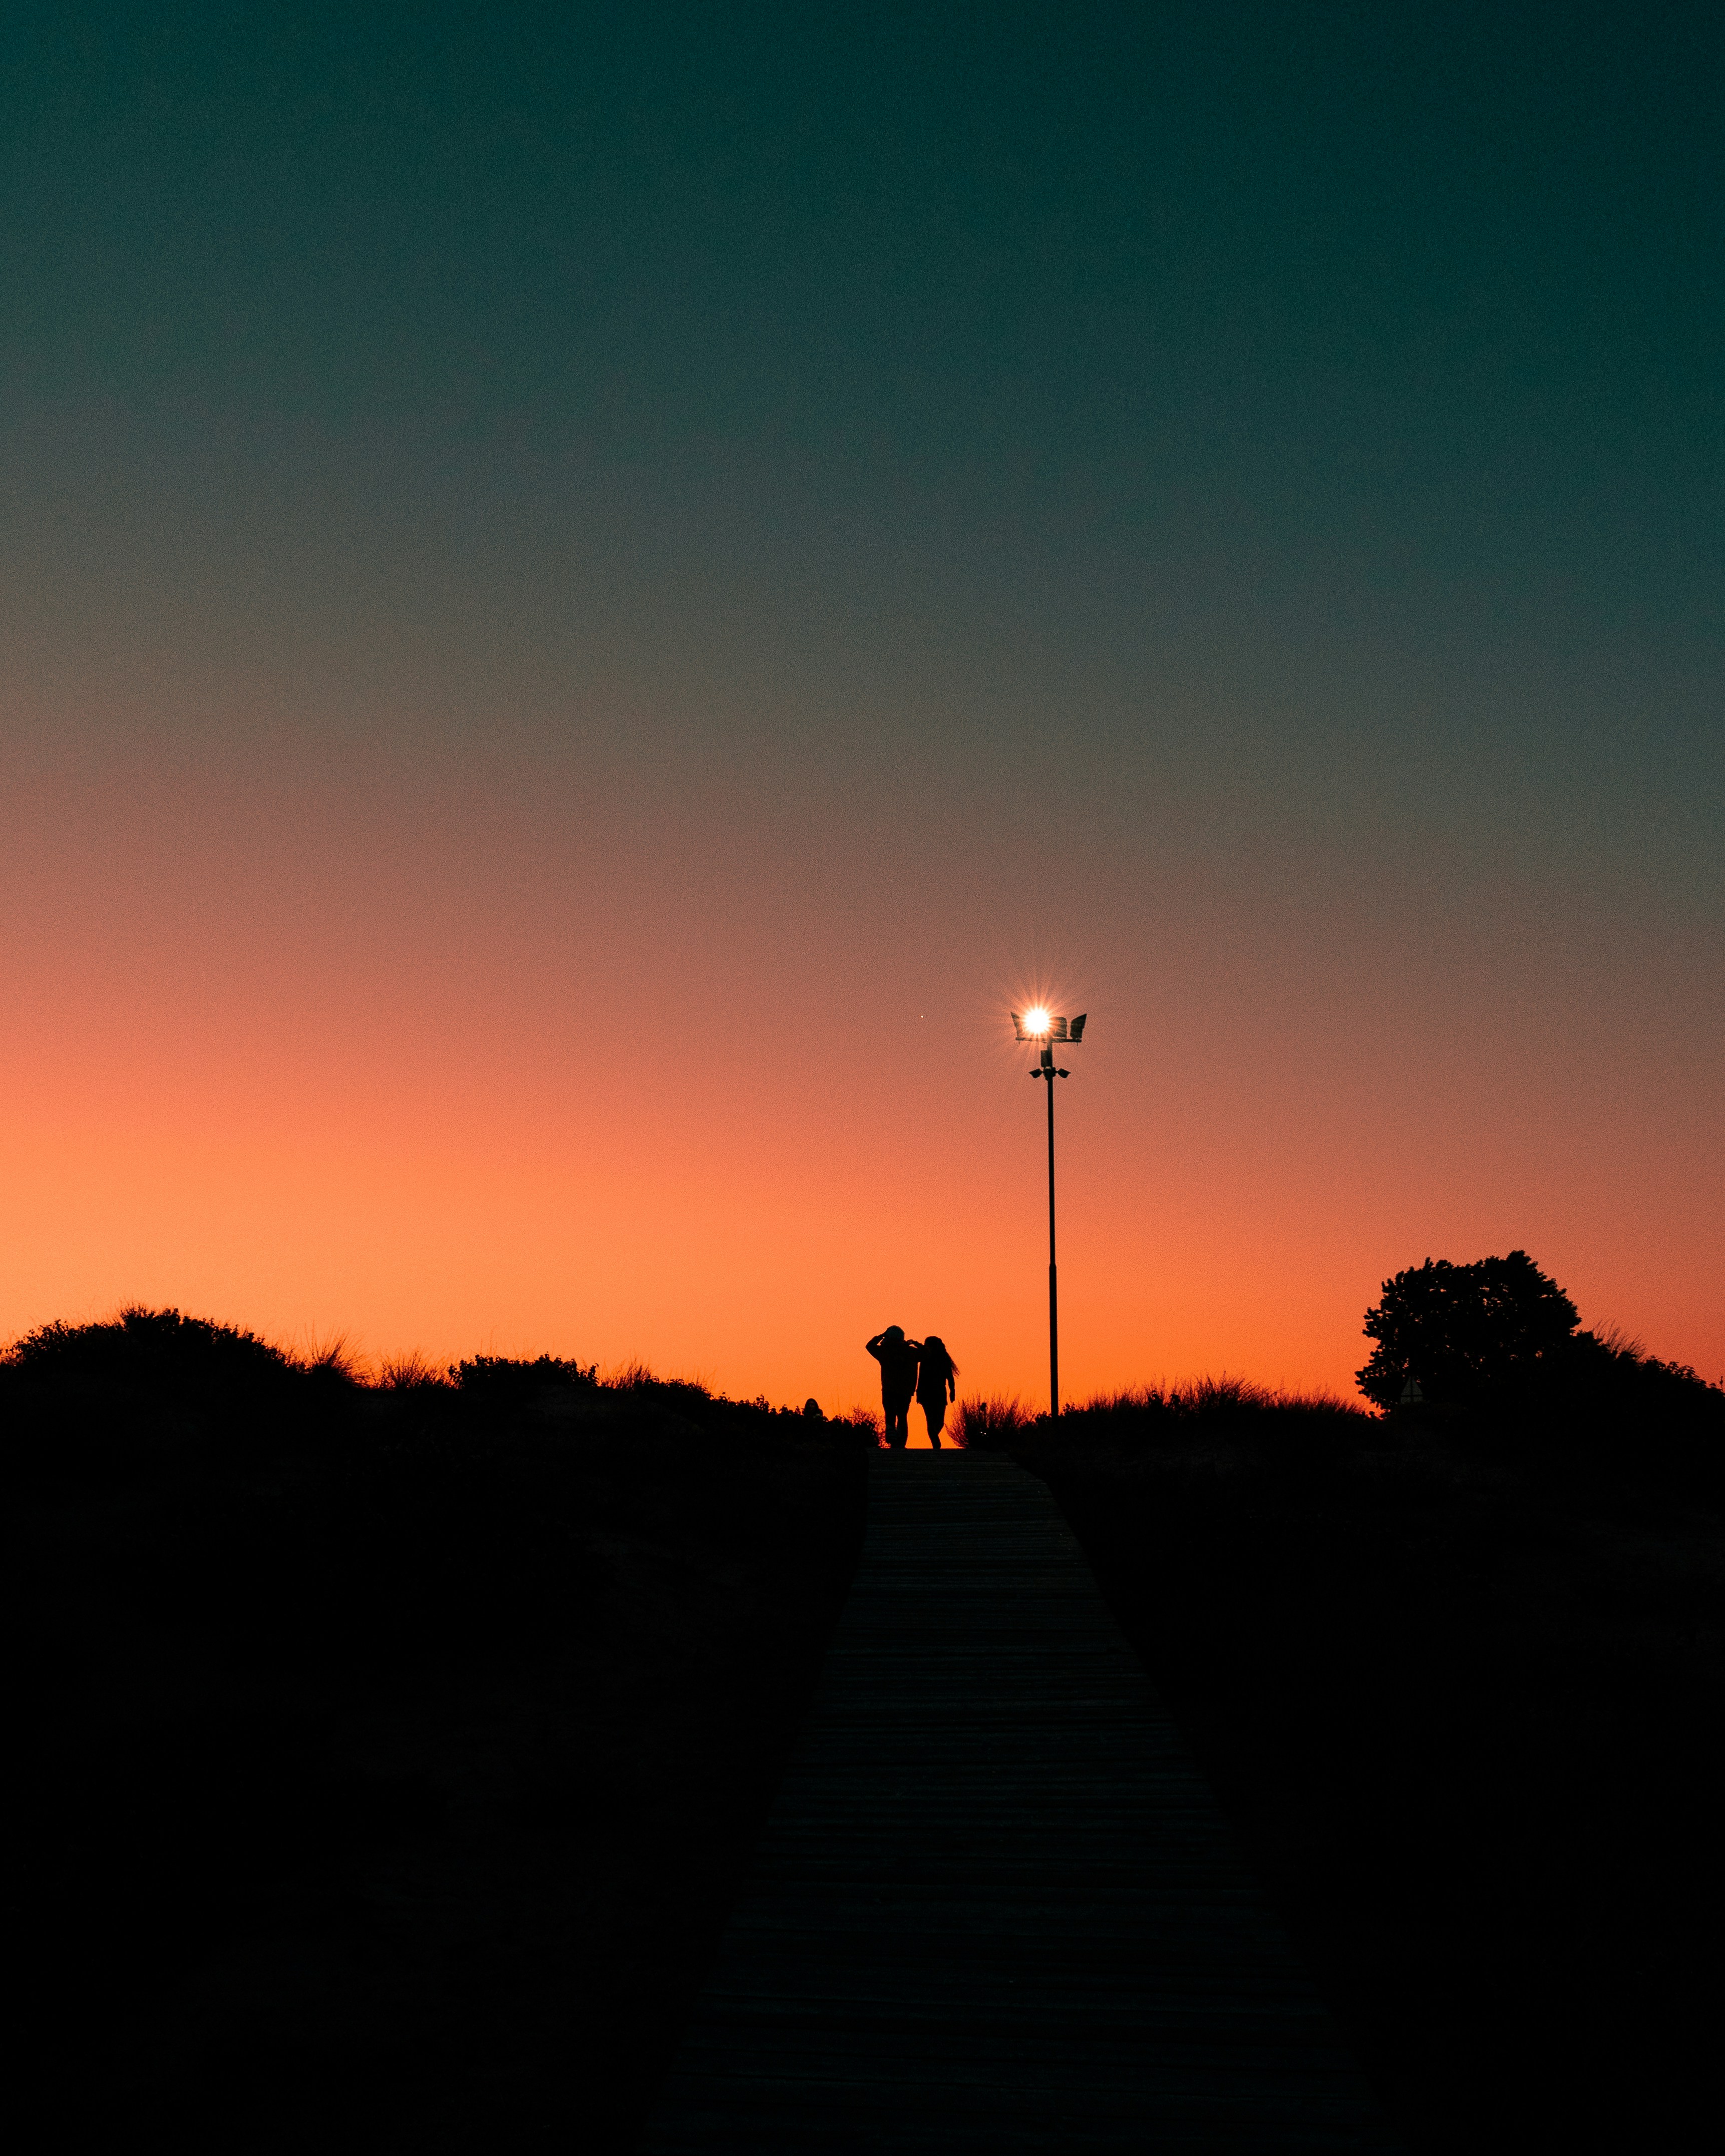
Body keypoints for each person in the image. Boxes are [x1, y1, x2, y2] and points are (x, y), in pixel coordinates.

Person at [865, 1326, 920, 1450]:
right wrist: (917, 1344)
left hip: (889, 1389)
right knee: (902, 1416)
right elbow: (927, 1354)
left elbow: (869, 1346)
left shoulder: (885, 1351)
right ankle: (901, 1442)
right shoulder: (911, 1352)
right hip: (906, 1391)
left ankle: (892, 1440)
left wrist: (881, 1336)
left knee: (890, 1415)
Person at [916, 1334, 958, 1448]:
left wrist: (952, 1391)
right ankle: (936, 1444)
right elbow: (921, 1377)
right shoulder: (925, 1358)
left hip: (939, 1393)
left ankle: (935, 1439)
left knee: (939, 1422)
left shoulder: (943, 1359)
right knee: (931, 1420)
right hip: (926, 1393)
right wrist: (918, 1393)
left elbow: (950, 1377)